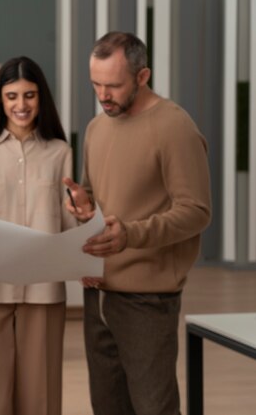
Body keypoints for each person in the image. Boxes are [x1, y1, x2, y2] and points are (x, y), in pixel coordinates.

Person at [63, 32, 212, 415]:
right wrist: (84, 208)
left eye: (113, 85)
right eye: (95, 84)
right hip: (98, 293)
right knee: (108, 407)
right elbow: (99, 198)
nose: (103, 95)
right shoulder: (97, 128)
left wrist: (130, 234)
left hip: (148, 301)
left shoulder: (175, 127)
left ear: (142, 76)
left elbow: (196, 211)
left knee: (154, 408)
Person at [0, 56, 76, 415]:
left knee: (42, 395)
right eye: (12, 96)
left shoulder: (60, 152)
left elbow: (70, 224)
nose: (21, 105)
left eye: (29, 95)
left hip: (43, 287)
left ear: (42, 98)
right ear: (0, 100)